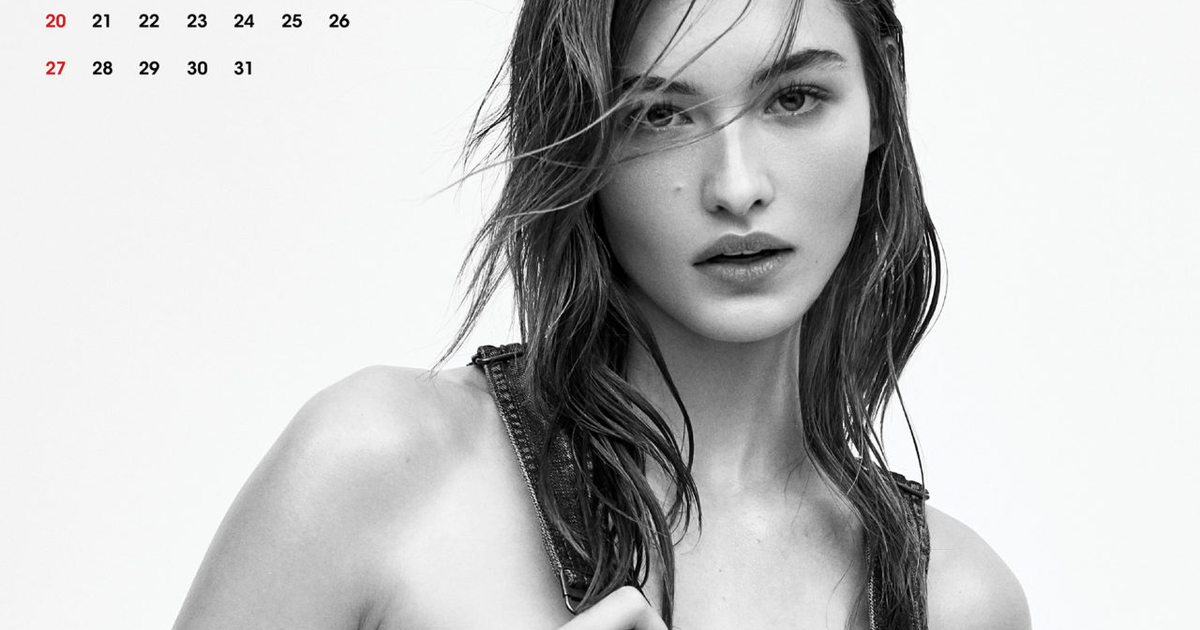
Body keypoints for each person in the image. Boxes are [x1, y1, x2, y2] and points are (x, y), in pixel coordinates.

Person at [173, 0, 1031, 628]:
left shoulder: (953, 601)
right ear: (581, 139)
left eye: (794, 98)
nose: (737, 187)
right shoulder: (384, 467)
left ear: (884, 93)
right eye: (658, 115)